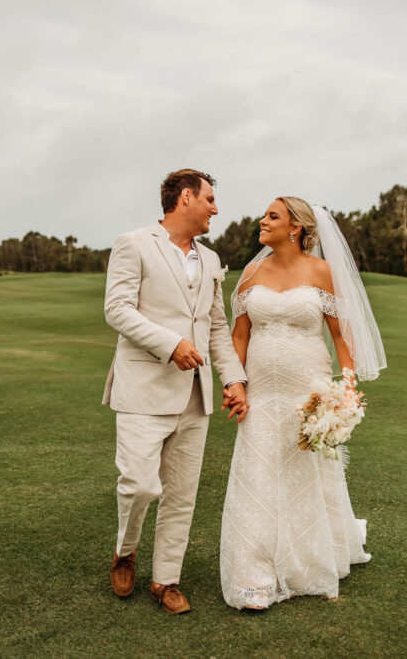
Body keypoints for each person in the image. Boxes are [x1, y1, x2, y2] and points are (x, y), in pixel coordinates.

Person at [219, 196, 386, 610]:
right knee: (258, 472)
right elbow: (239, 335)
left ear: (295, 227)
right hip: (260, 390)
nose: (263, 220)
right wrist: (235, 384)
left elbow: (342, 337)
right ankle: (254, 575)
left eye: (272, 216)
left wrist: (346, 392)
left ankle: (309, 560)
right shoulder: (251, 272)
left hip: (308, 391)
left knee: (305, 469)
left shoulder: (321, 271)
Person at [103, 169, 248, 614]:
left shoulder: (210, 259)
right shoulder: (133, 244)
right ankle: (125, 551)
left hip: (195, 396)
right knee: (140, 485)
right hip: (143, 390)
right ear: (185, 198)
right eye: (209, 200)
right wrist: (171, 345)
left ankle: (166, 580)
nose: (215, 209)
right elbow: (117, 310)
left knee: (182, 494)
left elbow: (217, 327)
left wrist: (234, 379)